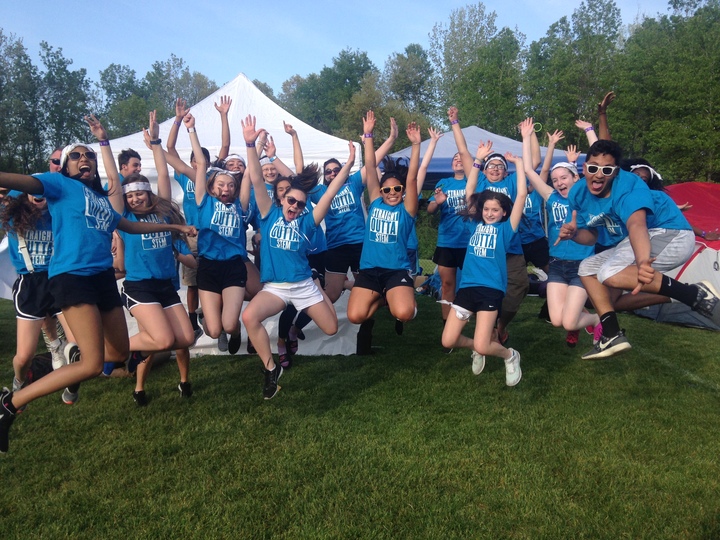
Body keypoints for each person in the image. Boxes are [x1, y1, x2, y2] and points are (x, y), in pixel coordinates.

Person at [0, 122, 197, 453]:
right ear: (66, 166)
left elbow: (131, 226)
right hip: (72, 277)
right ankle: (10, 404)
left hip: (103, 278)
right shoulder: (58, 185)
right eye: (76, 156)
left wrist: (175, 224)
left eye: (88, 154)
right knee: (92, 366)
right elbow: (17, 180)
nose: (83, 158)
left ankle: (71, 355)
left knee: (118, 354)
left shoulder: (102, 199)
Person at [558, 139, 720, 359]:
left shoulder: (629, 187)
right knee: (587, 268)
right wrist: (575, 234)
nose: (598, 175)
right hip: (636, 240)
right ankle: (611, 333)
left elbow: (637, 225)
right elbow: (592, 236)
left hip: (671, 233)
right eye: (593, 168)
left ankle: (693, 293)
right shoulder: (579, 194)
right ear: (585, 168)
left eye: (606, 170)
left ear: (615, 172)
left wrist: (643, 262)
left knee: (608, 273)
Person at [240, 113, 356, 399]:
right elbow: (256, 178)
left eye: (300, 203)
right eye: (291, 200)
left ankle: (319, 288)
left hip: (304, 285)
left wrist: (350, 165)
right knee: (249, 317)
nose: (295, 205)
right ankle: (271, 369)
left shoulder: (307, 221)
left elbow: (329, 195)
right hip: (276, 288)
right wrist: (250, 146)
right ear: (281, 199)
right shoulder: (267, 214)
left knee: (330, 328)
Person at [103, 111, 196, 406]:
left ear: (149, 193)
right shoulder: (125, 217)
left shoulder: (164, 211)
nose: (135, 199)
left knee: (187, 339)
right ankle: (110, 351)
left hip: (165, 287)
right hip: (139, 286)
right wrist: (104, 142)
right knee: (164, 340)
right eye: (130, 197)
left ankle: (128, 354)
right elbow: (117, 188)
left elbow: (163, 173)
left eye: (140, 194)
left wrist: (156, 142)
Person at [440, 123, 529, 386]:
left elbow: (522, 193)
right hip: (468, 287)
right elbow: (470, 192)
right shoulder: (475, 223)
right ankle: (479, 350)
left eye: (495, 209)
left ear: (503, 212)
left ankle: (510, 355)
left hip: (491, 289)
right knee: (448, 340)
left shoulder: (507, 230)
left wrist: (520, 165)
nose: (490, 212)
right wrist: (477, 160)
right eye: (487, 209)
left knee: (484, 341)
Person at [520, 126, 600, 347]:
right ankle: (592, 320)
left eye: (563, 177)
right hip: (556, 264)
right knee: (557, 320)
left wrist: (589, 130)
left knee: (569, 321)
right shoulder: (551, 197)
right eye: (555, 180)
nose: (559, 182)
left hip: (582, 265)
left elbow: (601, 162)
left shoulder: (587, 196)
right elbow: (528, 170)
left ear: (576, 177)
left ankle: (596, 319)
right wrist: (526, 138)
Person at [346, 120, 421, 333]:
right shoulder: (376, 201)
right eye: (386, 190)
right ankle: (387, 297)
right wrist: (368, 136)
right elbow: (370, 166)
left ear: (402, 190)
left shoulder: (407, 210)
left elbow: (413, 178)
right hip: (370, 270)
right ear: (380, 191)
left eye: (397, 188)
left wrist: (416, 145)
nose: (392, 192)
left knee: (404, 313)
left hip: (395, 270)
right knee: (355, 316)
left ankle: (400, 298)